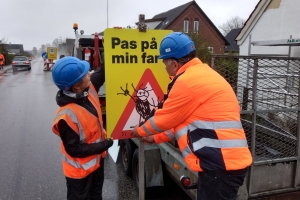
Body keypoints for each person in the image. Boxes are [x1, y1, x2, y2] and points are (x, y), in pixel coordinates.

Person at [132, 32, 253, 200]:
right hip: (226, 165)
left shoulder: (186, 82)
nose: (165, 68)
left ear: (174, 64)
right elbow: (184, 126)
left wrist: (139, 131)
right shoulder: (205, 74)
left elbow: (163, 119)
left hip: (219, 167)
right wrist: (155, 138)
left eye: (164, 63)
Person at [51, 56, 113, 200]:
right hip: (79, 174)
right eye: (85, 74)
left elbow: (103, 71)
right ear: (76, 86)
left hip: (96, 164)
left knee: (96, 196)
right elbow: (74, 149)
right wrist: (103, 145)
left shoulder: (89, 88)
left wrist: (113, 43)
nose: (89, 74)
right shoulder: (66, 116)